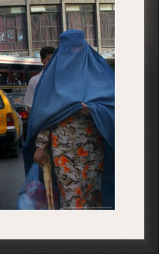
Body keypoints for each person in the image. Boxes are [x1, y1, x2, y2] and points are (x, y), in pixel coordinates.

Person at [22, 29, 115, 210]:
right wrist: (41, 145)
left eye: (78, 47)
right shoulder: (51, 77)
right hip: (64, 149)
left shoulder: (98, 71)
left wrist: (94, 111)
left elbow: (113, 105)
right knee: (72, 199)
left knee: (93, 198)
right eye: (69, 48)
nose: (74, 53)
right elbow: (45, 113)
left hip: (93, 149)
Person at [24, 46, 56, 113]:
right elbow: (30, 106)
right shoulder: (35, 81)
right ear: (42, 60)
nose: (53, 63)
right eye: (49, 60)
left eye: (55, 59)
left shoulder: (62, 79)